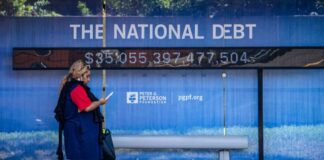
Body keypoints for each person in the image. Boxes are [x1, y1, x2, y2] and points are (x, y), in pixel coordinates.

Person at [55, 60, 107, 160]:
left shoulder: (72, 87)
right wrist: (100, 102)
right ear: (80, 76)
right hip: (80, 136)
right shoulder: (76, 89)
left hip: (79, 133)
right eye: (87, 76)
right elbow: (87, 107)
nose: (89, 79)